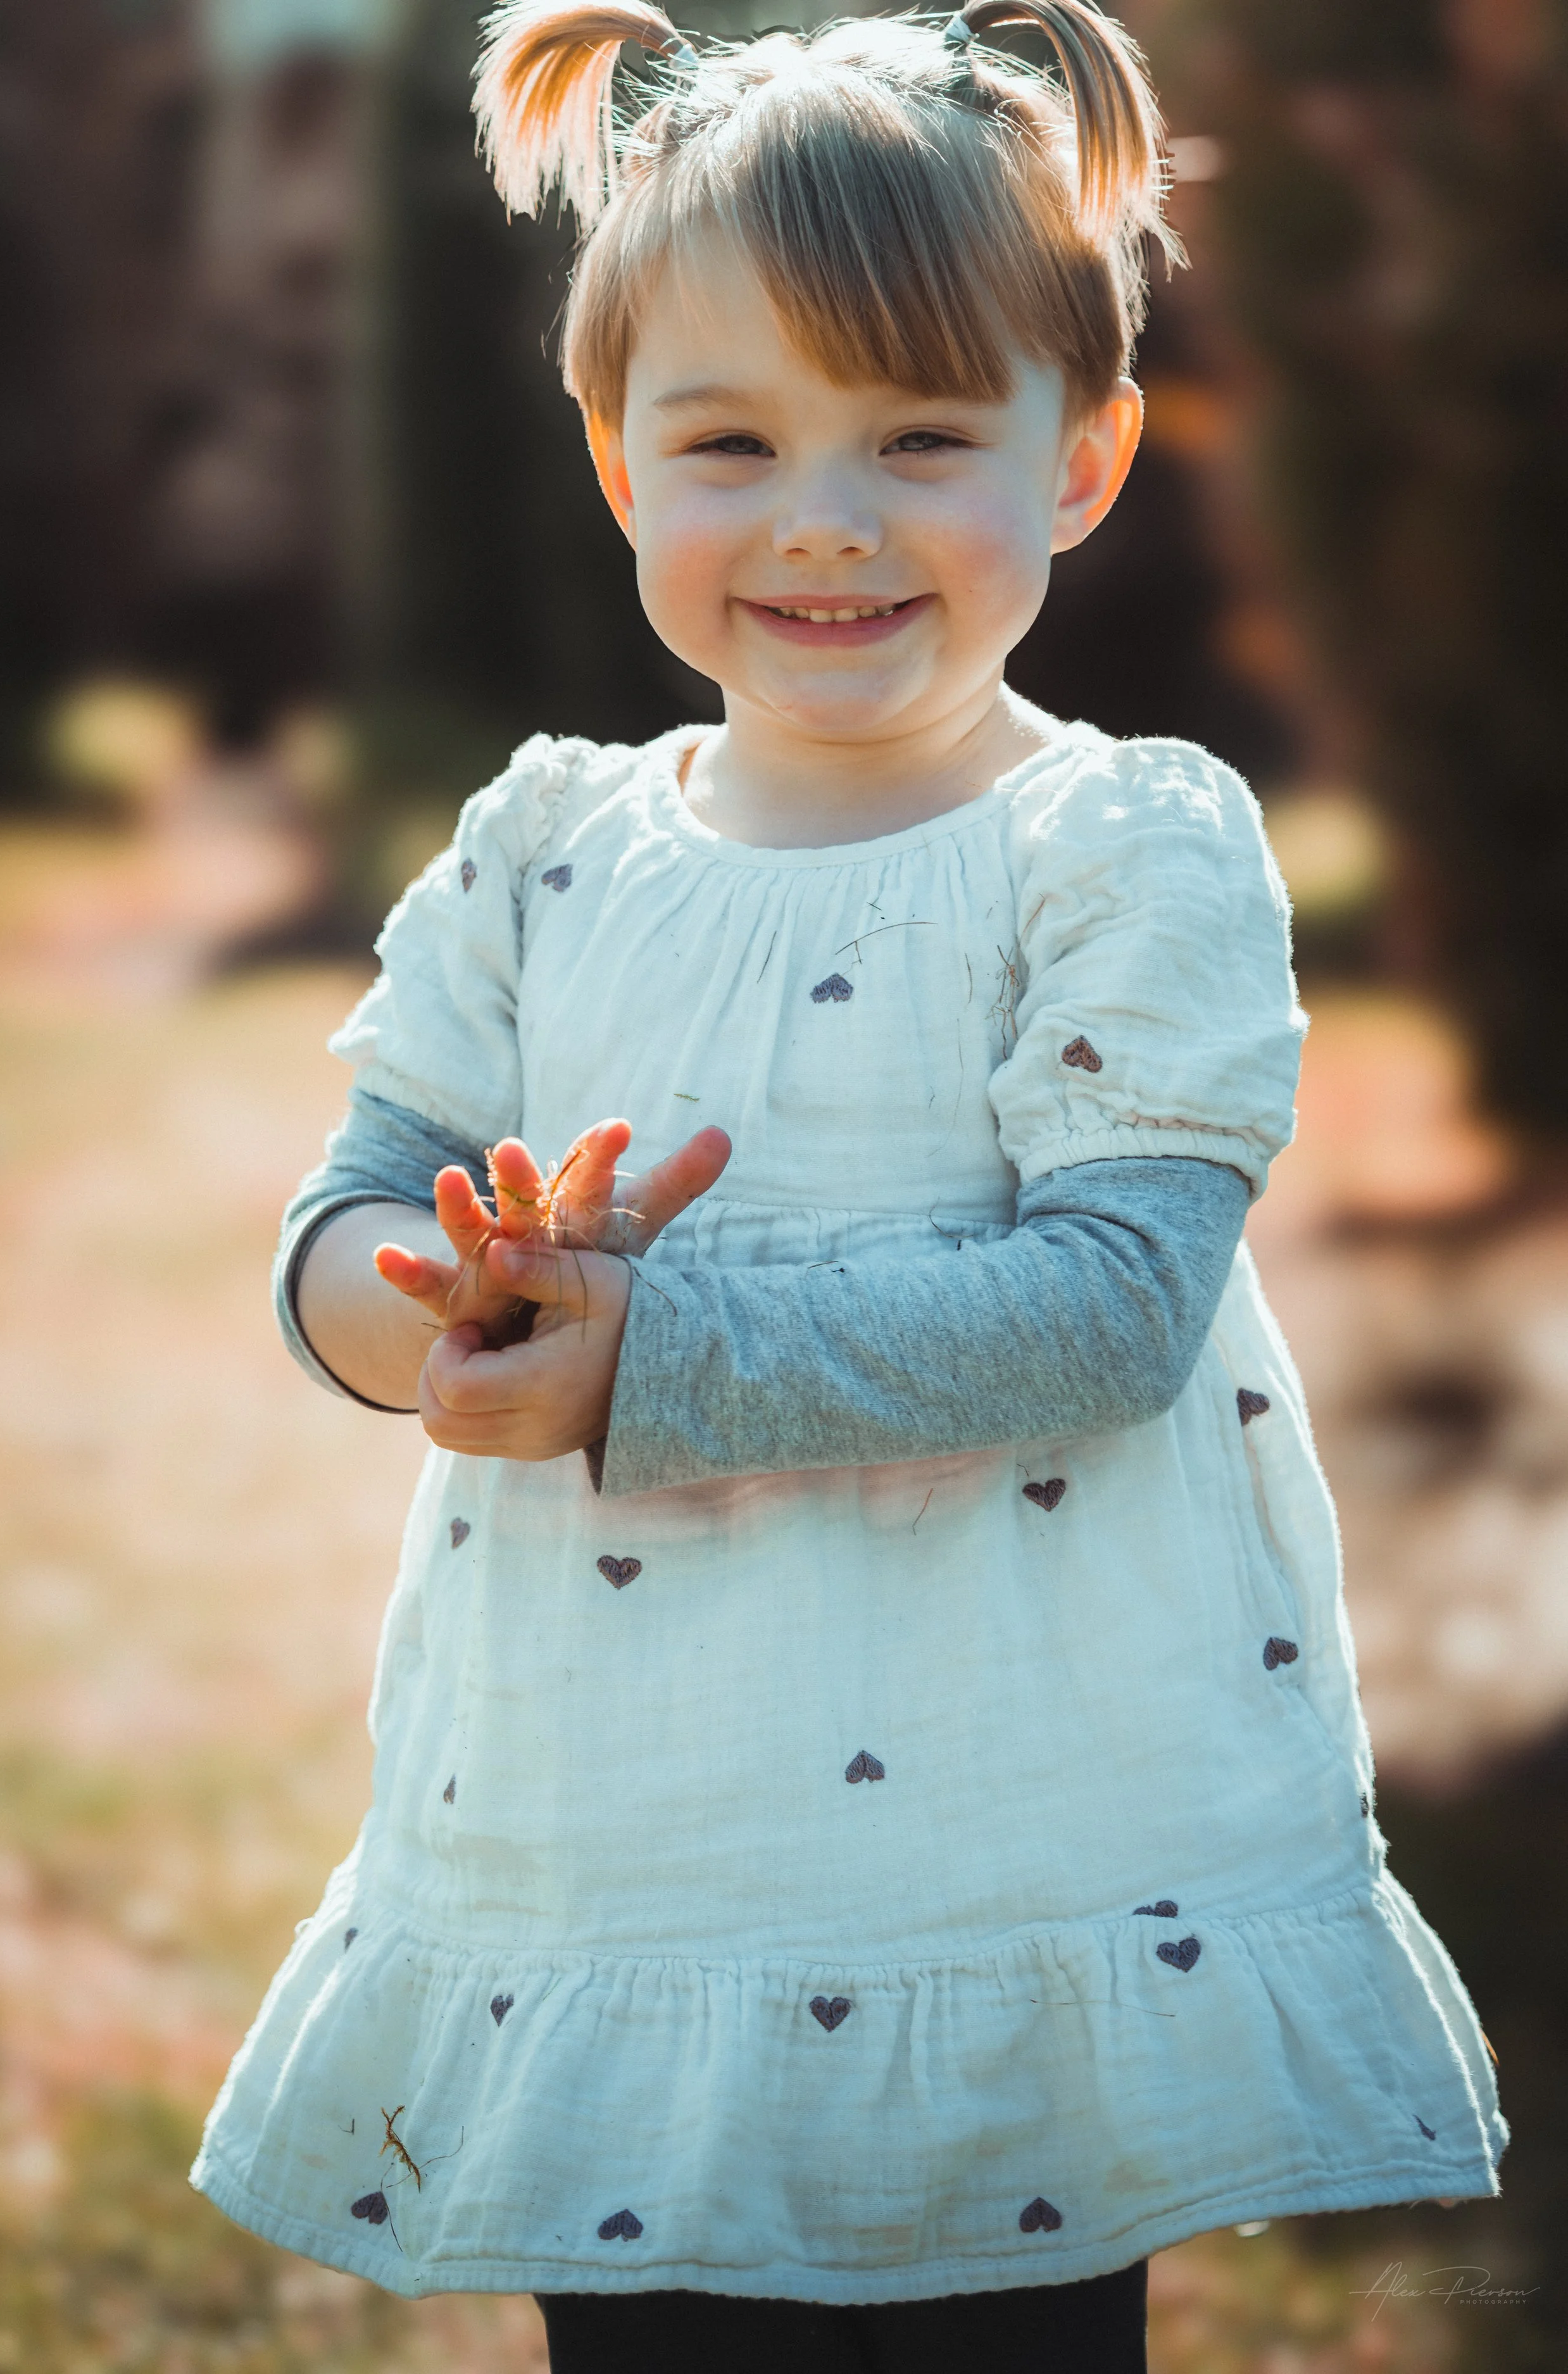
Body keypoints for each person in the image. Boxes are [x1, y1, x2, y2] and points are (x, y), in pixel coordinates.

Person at [191, 5, 1507, 2366]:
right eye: (731, 440)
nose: (823, 515)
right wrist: (460, 1332)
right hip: (640, 1832)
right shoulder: (546, 848)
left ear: (1084, 459)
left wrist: (647, 1358)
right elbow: (352, 1215)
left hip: (1005, 1841)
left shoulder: (1116, 844)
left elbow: (1109, 1298)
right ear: (611, 459)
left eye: (921, 437)